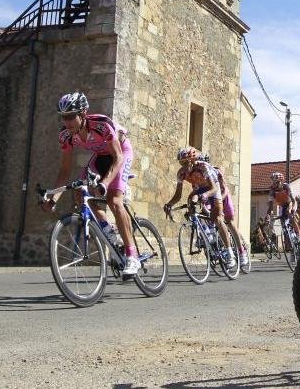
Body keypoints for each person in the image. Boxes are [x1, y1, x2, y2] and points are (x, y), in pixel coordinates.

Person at [44, 92, 140, 276]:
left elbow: (118, 157)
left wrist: (104, 183)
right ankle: (108, 229)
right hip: (100, 157)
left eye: (71, 116)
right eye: (64, 117)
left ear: (83, 114)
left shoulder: (101, 125)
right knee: (80, 192)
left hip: (120, 152)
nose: (67, 122)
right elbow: (64, 171)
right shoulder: (65, 136)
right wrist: (54, 198)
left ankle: (132, 255)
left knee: (114, 200)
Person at [163, 147, 236, 269]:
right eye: (182, 163)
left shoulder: (203, 167)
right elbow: (178, 195)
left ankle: (230, 253)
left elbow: (214, 188)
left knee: (218, 219)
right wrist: (169, 204)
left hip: (213, 188)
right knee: (192, 201)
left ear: (192, 160)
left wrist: (205, 195)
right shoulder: (181, 173)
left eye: (186, 162)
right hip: (199, 189)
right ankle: (203, 232)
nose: (184, 165)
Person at [266, 171, 300, 247]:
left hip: (289, 203)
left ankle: (299, 235)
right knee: (284, 227)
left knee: (289, 213)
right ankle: (292, 248)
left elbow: (292, 200)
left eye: (277, 182)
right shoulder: (272, 190)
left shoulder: (286, 186)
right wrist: (268, 215)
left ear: (281, 181)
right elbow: (270, 206)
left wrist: (292, 209)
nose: (276, 184)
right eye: (274, 183)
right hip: (282, 206)